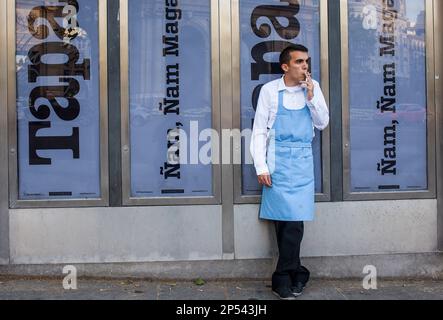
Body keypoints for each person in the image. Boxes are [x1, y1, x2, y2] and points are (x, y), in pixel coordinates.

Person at [250, 44, 329, 300]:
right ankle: (298, 272)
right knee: (282, 221)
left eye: (306, 61)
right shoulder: (270, 91)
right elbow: (260, 129)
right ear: (285, 66)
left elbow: (322, 123)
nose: (305, 66)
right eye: (299, 62)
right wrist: (261, 166)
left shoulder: (312, 87)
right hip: (277, 159)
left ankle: (282, 277)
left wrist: (311, 97)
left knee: (295, 221)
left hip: (302, 160)